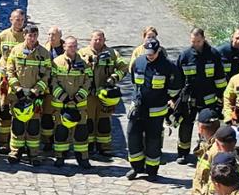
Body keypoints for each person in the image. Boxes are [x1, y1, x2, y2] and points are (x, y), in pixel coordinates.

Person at [126, 38, 183, 179]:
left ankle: (152, 171)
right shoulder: (138, 62)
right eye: (147, 53)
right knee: (132, 136)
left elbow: (176, 86)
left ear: (158, 51)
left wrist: (165, 99)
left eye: (152, 53)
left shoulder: (167, 66)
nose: (149, 55)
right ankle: (136, 167)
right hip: (138, 108)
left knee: (153, 141)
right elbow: (134, 81)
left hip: (156, 111)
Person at [0, 25, 52, 165]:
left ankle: (33, 154)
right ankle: (15, 152)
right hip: (18, 95)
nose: (32, 38)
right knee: (18, 125)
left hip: (36, 96)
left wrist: (37, 90)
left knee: (34, 125)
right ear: (25, 36)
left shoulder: (44, 53)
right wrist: (17, 89)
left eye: (35, 35)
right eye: (30, 36)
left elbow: (47, 73)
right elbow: (10, 71)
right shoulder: (16, 51)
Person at [173, 28, 224, 165]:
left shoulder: (213, 54)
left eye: (198, 41)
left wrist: (221, 98)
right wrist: (175, 99)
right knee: (185, 124)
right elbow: (178, 79)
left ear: (204, 39)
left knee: (207, 125)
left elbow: (220, 77)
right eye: (193, 41)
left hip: (208, 98)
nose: (195, 44)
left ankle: (205, 151)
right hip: (189, 99)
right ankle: (183, 153)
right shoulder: (185, 56)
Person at [81, 30, 124, 159]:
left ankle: (104, 147)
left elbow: (124, 67)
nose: (98, 42)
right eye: (95, 39)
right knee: (88, 120)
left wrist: (114, 78)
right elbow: (76, 67)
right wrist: (89, 61)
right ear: (90, 40)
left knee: (104, 121)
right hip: (88, 94)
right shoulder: (82, 53)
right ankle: (88, 146)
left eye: (100, 39)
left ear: (104, 40)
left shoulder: (112, 54)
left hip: (104, 94)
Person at [50, 35, 92, 168]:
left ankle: (83, 158)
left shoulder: (84, 63)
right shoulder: (56, 62)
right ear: (64, 47)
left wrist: (79, 96)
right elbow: (52, 82)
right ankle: (60, 157)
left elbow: (88, 81)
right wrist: (64, 97)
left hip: (79, 106)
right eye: (70, 46)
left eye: (75, 46)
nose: (73, 48)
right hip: (61, 105)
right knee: (61, 132)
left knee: (81, 133)